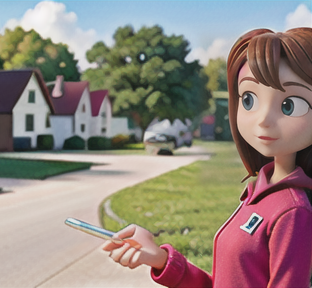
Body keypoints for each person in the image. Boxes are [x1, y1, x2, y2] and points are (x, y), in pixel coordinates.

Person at [102, 27, 312, 287]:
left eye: (289, 105)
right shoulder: (259, 193)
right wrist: (158, 258)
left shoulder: (293, 211)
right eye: (249, 100)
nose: (263, 120)